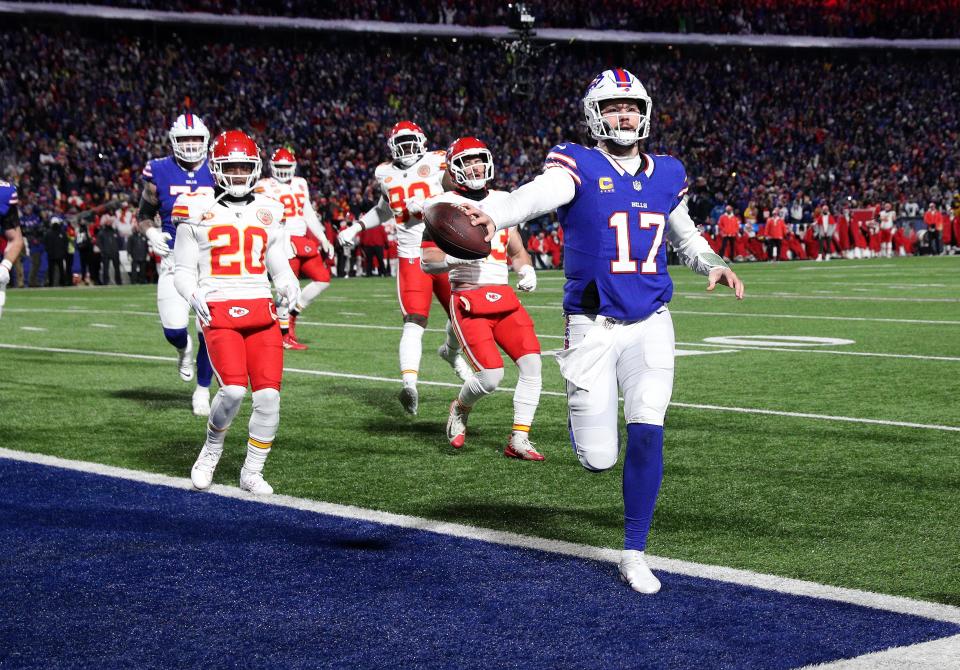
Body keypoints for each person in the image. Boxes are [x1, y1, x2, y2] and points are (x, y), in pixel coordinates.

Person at [465, 68, 744, 594]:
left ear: (646, 114)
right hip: (591, 327)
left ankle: (634, 552)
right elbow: (533, 195)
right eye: (615, 107)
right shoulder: (578, 164)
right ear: (595, 114)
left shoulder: (667, 172)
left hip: (651, 323)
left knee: (648, 424)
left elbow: (685, 233)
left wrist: (710, 262)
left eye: (632, 107)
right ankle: (591, 444)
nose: (625, 116)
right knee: (599, 459)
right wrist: (493, 215)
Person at [172, 129, 300, 496]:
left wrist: (289, 284)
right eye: (234, 168)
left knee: (269, 397)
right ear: (216, 168)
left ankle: (252, 471)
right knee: (231, 391)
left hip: (261, 309)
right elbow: (182, 270)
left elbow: (278, 263)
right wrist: (193, 294)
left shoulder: (270, 208)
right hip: (218, 310)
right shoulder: (194, 207)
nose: (241, 175)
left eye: (246, 168)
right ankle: (211, 450)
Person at [417, 137, 544, 460]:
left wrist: (525, 268)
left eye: (478, 160)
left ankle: (519, 438)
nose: (474, 167)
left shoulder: (503, 199)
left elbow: (517, 250)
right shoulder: (440, 204)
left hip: (503, 296)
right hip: (468, 298)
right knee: (490, 377)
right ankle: (460, 408)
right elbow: (427, 261)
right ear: (454, 169)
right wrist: (452, 260)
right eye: (467, 161)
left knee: (532, 365)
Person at [337, 120, 470, 415]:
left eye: (411, 141)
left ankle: (451, 353)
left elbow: (460, 191)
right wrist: (357, 226)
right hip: (411, 255)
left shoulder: (439, 160)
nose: (407, 148)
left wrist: (431, 203)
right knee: (414, 320)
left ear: (422, 141)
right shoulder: (384, 174)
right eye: (401, 142)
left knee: (464, 313)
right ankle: (409, 384)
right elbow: (385, 209)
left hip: (444, 249)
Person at [137, 112, 216, 416]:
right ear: (173, 142)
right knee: (173, 329)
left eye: (196, 138)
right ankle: (183, 351)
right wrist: (152, 231)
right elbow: (143, 215)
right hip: (174, 256)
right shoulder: (158, 170)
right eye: (185, 139)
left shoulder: (217, 168)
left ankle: (202, 389)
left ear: (206, 140)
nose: (191, 144)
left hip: (210, 256)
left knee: (209, 325)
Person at [256, 147, 334, 350]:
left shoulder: (300, 183)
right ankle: (283, 335)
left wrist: (323, 238)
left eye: (286, 166)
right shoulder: (263, 185)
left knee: (323, 279)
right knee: (285, 289)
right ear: (272, 167)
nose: (283, 170)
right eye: (279, 166)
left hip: (302, 238)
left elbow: (307, 213)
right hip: (281, 239)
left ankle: (292, 314)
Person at [0, 179, 25, 318]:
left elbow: (16, 239)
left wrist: (4, 267)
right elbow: (17, 240)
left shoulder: (5, 192)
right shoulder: (5, 191)